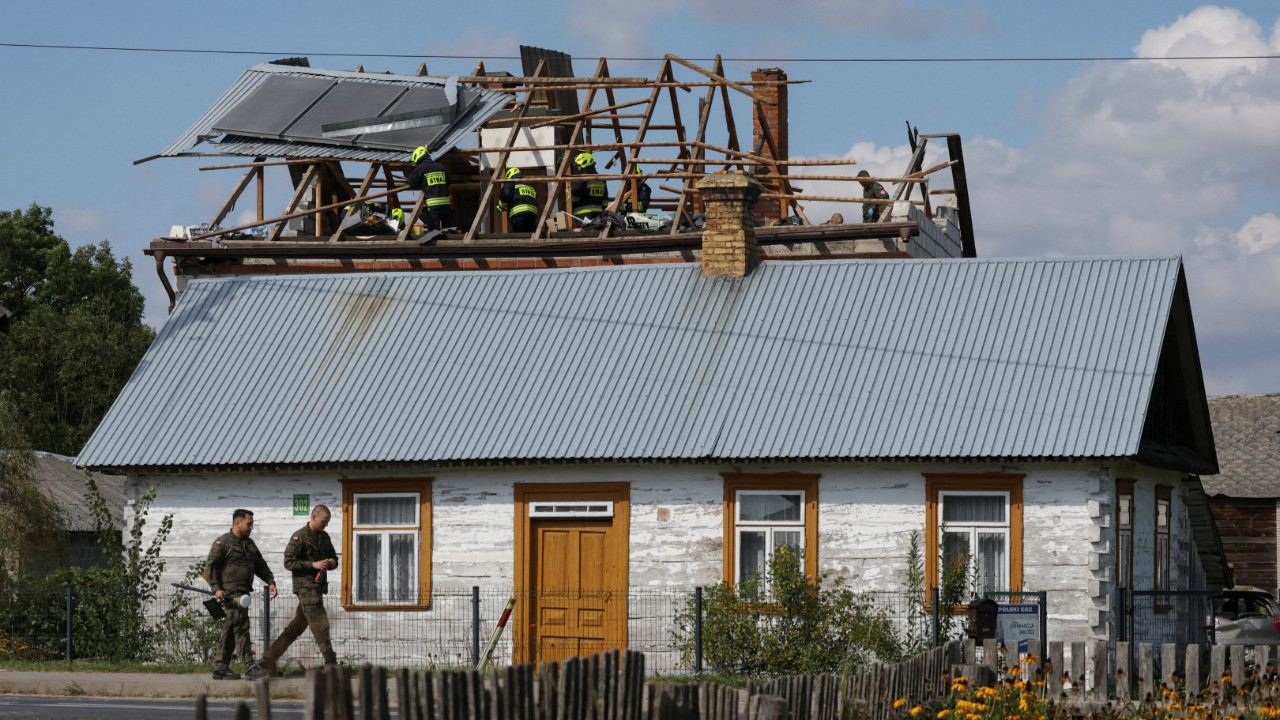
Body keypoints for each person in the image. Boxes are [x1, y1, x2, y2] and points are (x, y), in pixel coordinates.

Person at [263, 505, 339, 676]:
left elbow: (334, 556)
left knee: (296, 627)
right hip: (305, 587)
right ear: (313, 517)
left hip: (317, 587)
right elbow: (288, 562)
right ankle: (331, 663)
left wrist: (332, 562)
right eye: (323, 522)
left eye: (327, 522)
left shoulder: (324, 537)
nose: (325, 525)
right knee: (321, 624)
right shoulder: (300, 537)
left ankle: (269, 659)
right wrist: (312, 564)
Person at [205, 509, 277, 680]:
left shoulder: (249, 544)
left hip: (243, 592)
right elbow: (211, 567)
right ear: (238, 523)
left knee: (231, 628)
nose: (252, 527)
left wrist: (270, 581)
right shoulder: (223, 543)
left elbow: (260, 564)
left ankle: (221, 668)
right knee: (242, 627)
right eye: (249, 523)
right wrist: (216, 588)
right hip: (230, 594)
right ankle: (250, 667)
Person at [408, 146, 455, 234]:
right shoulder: (440, 166)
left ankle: (430, 247)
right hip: (446, 205)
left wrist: (423, 182)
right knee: (450, 231)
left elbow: (411, 183)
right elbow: (448, 182)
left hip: (433, 206)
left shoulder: (419, 169)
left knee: (434, 232)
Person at [569, 152, 608, 224]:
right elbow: (605, 202)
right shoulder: (602, 179)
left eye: (578, 165)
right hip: (598, 216)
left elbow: (575, 194)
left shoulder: (581, 178)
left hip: (582, 216)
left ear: (583, 164)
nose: (578, 167)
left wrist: (570, 199)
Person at [497, 167, 539, 233]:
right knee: (529, 237)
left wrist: (500, 206)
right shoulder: (530, 184)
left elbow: (506, 194)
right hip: (532, 215)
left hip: (518, 215)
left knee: (516, 238)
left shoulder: (511, 181)